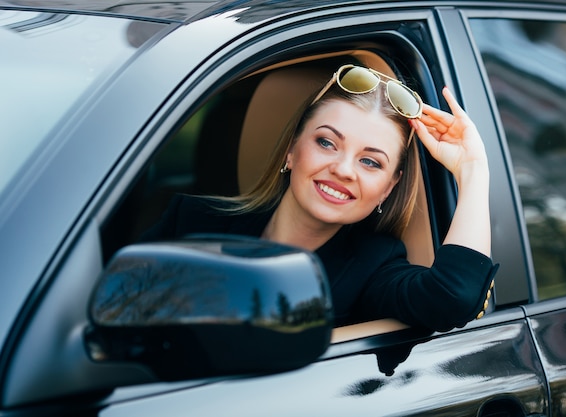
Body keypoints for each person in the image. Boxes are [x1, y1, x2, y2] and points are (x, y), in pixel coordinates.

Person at [142, 64, 498, 331]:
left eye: (370, 161)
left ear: (388, 188)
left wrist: (473, 170)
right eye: (327, 142)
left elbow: (453, 297)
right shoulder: (190, 220)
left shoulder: (374, 269)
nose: (343, 169)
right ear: (291, 151)